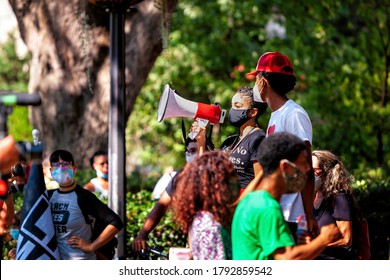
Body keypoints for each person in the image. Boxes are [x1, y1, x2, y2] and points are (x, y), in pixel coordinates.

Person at [231, 132, 340, 260]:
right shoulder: (268, 207)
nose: (307, 170)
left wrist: (301, 246)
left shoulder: (250, 199)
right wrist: (324, 239)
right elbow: (286, 259)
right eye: (304, 163)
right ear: (285, 167)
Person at [246, 51, 314, 236]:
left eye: (256, 78)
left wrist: (309, 217)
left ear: (263, 82)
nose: (254, 84)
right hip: (276, 213)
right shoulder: (276, 115)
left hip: (291, 217)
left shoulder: (294, 114)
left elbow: (306, 169)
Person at [131, 136, 213, 253]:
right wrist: (142, 235)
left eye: (199, 150)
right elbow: (161, 206)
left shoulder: (217, 174)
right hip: (193, 244)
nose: (195, 155)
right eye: (191, 151)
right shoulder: (181, 176)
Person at [48, 149, 123, 260]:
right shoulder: (48, 196)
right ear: (51, 170)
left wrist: (91, 246)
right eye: (56, 165)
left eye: (65, 164)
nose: (61, 168)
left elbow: (116, 222)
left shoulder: (83, 196)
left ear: (74, 168)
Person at [194, 86, 267, 193]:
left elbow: (260, 181)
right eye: (232, 106)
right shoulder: (230, 141)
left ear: (253, 112)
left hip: (243, 202)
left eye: (238, 106)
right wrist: (201, 142)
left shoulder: (257, 138)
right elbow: (208, 175)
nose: (233, 110)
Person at [172, 151, 240, 260]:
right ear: (216, 184)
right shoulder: (209, 224)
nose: (234, 182)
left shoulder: (206, 216)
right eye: (228, 179)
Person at [312, 150, 357, 259]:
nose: (309, 174)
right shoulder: (311, 196)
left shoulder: (339, 198)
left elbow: (346, 239)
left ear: (328, 171)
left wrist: (314, 245)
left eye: (314, 170)